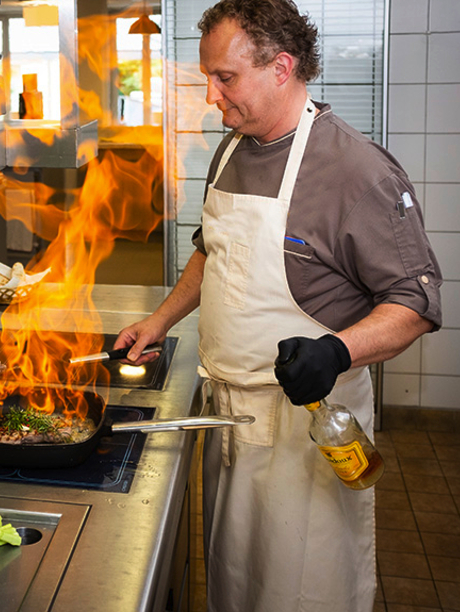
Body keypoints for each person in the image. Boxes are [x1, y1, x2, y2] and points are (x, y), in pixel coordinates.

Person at [114, 1, 443, 610]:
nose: (211, 94)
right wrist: (158, 321)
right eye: (209, 76)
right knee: (235, 581)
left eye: (225, 77)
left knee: (303, 588)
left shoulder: (355, 170)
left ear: (281, 68)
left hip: (306, 433)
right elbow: (212, 253)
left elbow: (415, 302)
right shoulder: (233, 149)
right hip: (229, 425)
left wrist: (338, 349)